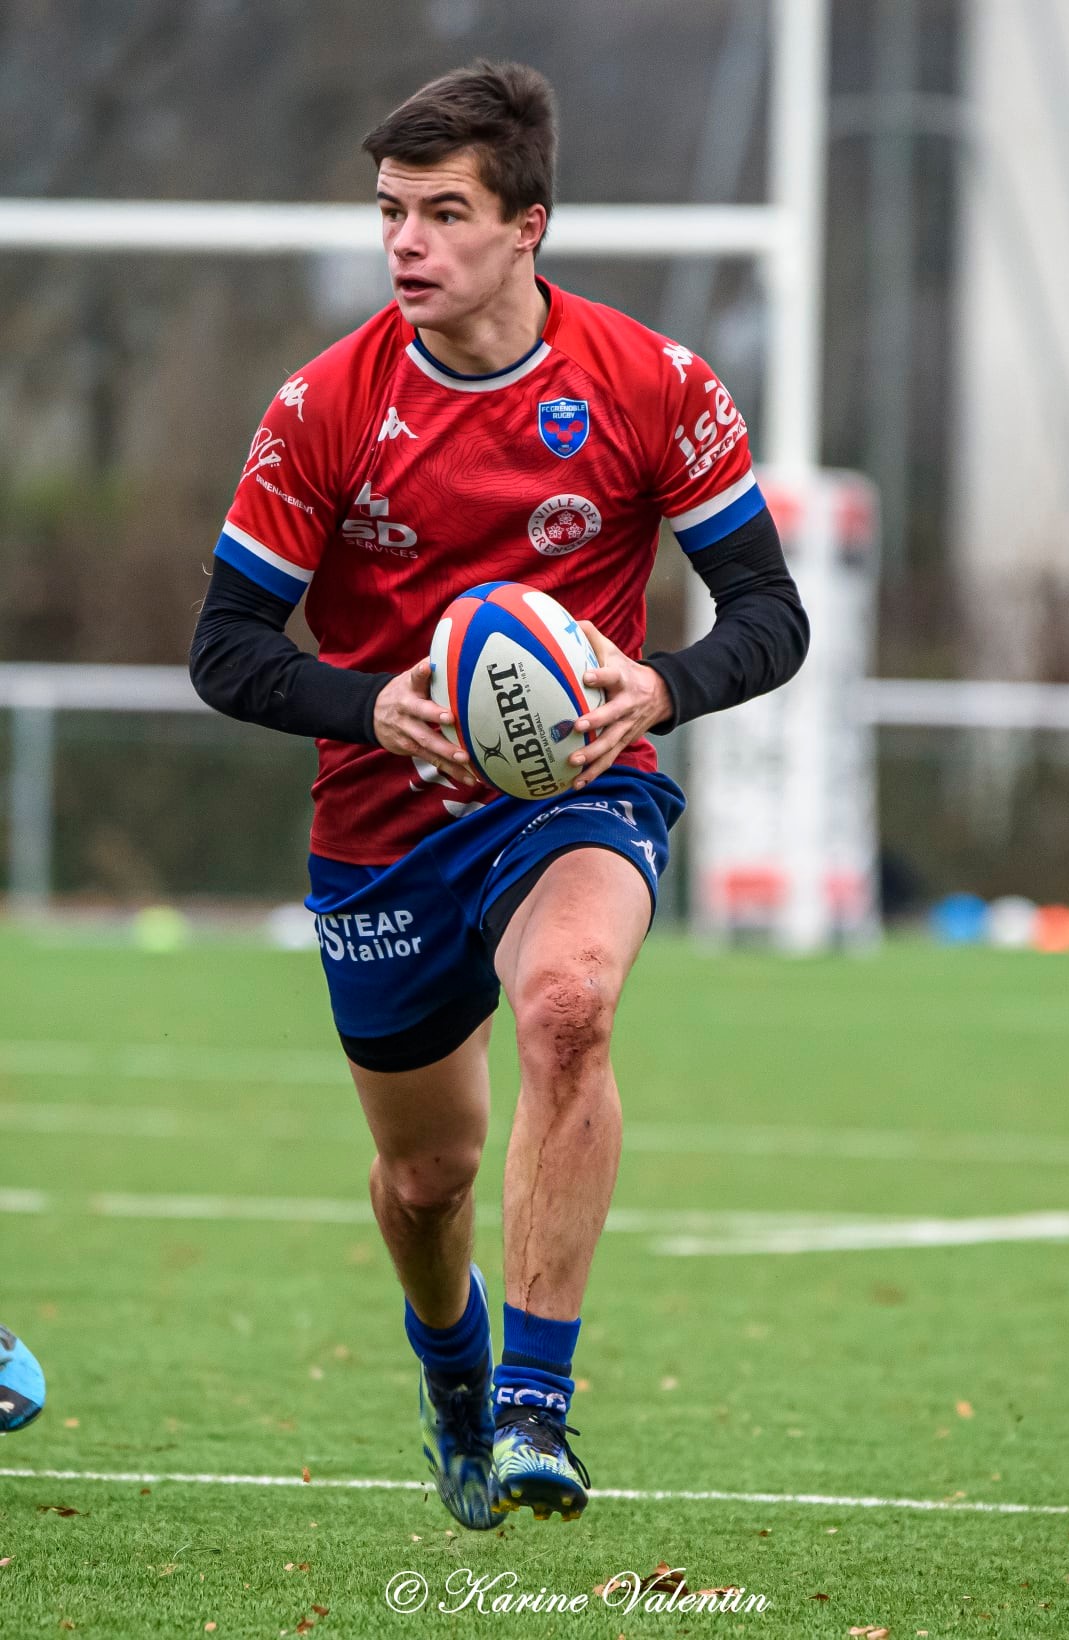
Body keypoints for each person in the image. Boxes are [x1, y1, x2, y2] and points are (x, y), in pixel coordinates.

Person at [190, 59, 808, 1529]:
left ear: (528, 224)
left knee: (570, 1006)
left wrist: (660, 688)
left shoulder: (652, 384)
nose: (405, 242)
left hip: (574, 794)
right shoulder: (325, 406)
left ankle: (536, 1403)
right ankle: (455, 1366)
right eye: (389, 211)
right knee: (425, 1181)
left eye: (443, 213)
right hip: (382, 825)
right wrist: (372, 706)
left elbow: (770, 616)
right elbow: (225, 647)